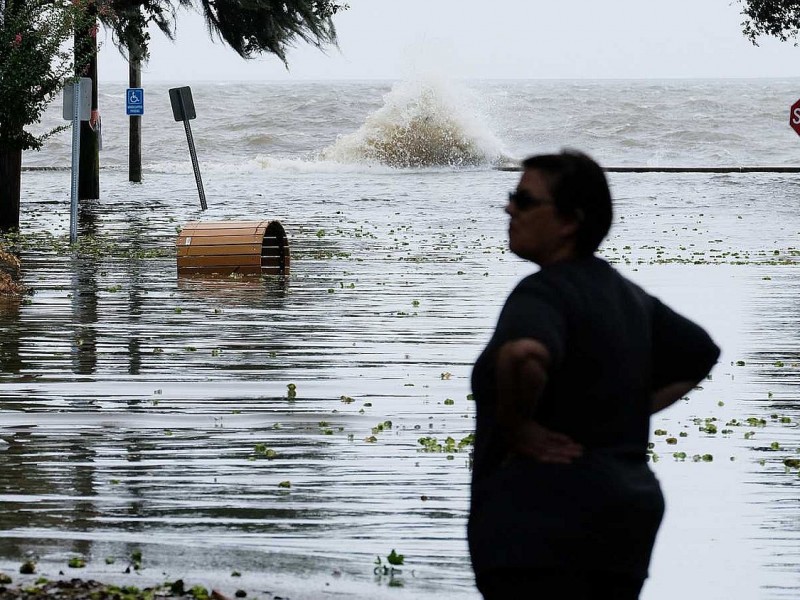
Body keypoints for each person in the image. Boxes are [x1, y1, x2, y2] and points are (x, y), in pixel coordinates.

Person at [468, 150, 720, 599]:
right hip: (625, 521)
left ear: (569, 221)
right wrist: (626, 409)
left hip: (540, 525)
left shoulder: (542, 292)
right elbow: (699, 353)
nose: (509, 208)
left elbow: (523, 356)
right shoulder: (627, 295)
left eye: (524, 201)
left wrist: (519, 428)